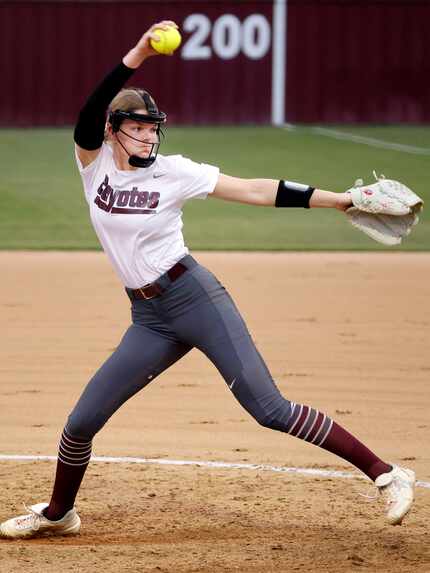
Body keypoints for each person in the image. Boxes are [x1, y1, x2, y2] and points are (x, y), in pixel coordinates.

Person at [0, 21, 415, 539]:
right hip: (148, 318)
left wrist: (339, 199)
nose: (148, 135)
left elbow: (257, 190)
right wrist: (138, 53)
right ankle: (60, 514)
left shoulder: (173, 171)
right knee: (81, 422)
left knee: (269, 409)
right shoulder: (94, 163)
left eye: (154, 127)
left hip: (194, 297)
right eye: (137, 126)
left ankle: (387, 473)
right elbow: (90, 108)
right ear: (112, 130)